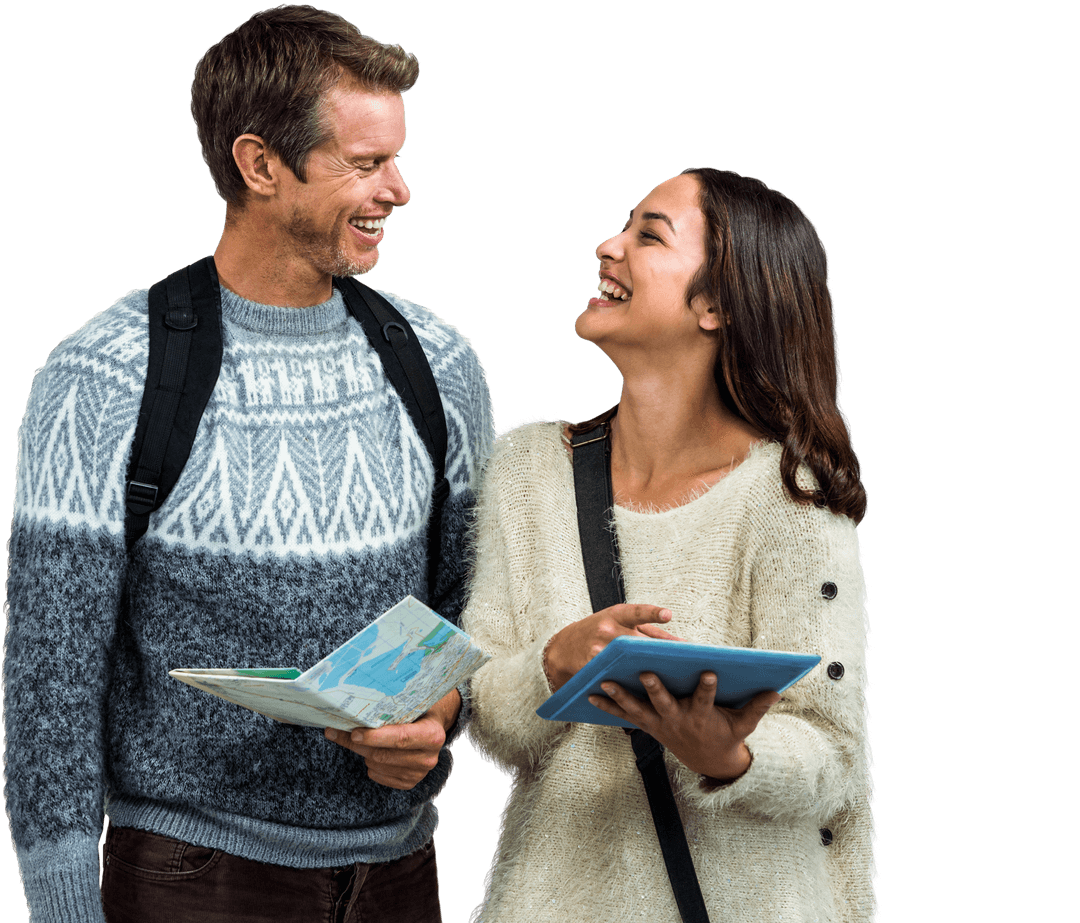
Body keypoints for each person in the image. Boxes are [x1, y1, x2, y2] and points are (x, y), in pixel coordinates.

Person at [3, 6, 493, 922]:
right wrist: (63, 907)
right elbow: (50, 686)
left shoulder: (439, 362)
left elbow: (475, 606)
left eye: (396, 156)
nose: (400, 189)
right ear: (261, 165)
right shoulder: (105, 373)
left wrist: (441, 714)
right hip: (189, 878)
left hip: (400, 874)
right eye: (365, 163)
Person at [461, 169, 876, 922]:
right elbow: (485, 715)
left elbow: (835, 754)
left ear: (716, 303)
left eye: (648, 235)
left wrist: (729, 756)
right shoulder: (528, 469)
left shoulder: (792, 495)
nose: (607, 246)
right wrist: (553, 662)